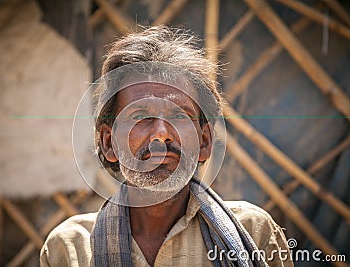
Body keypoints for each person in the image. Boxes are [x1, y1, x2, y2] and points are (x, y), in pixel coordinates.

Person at [40, 25, 293, 267]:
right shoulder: (69, 249)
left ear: (204, 141)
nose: (161, 135)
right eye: (140, 117)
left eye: (179, 116)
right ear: (109, 143)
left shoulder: (254, 234)